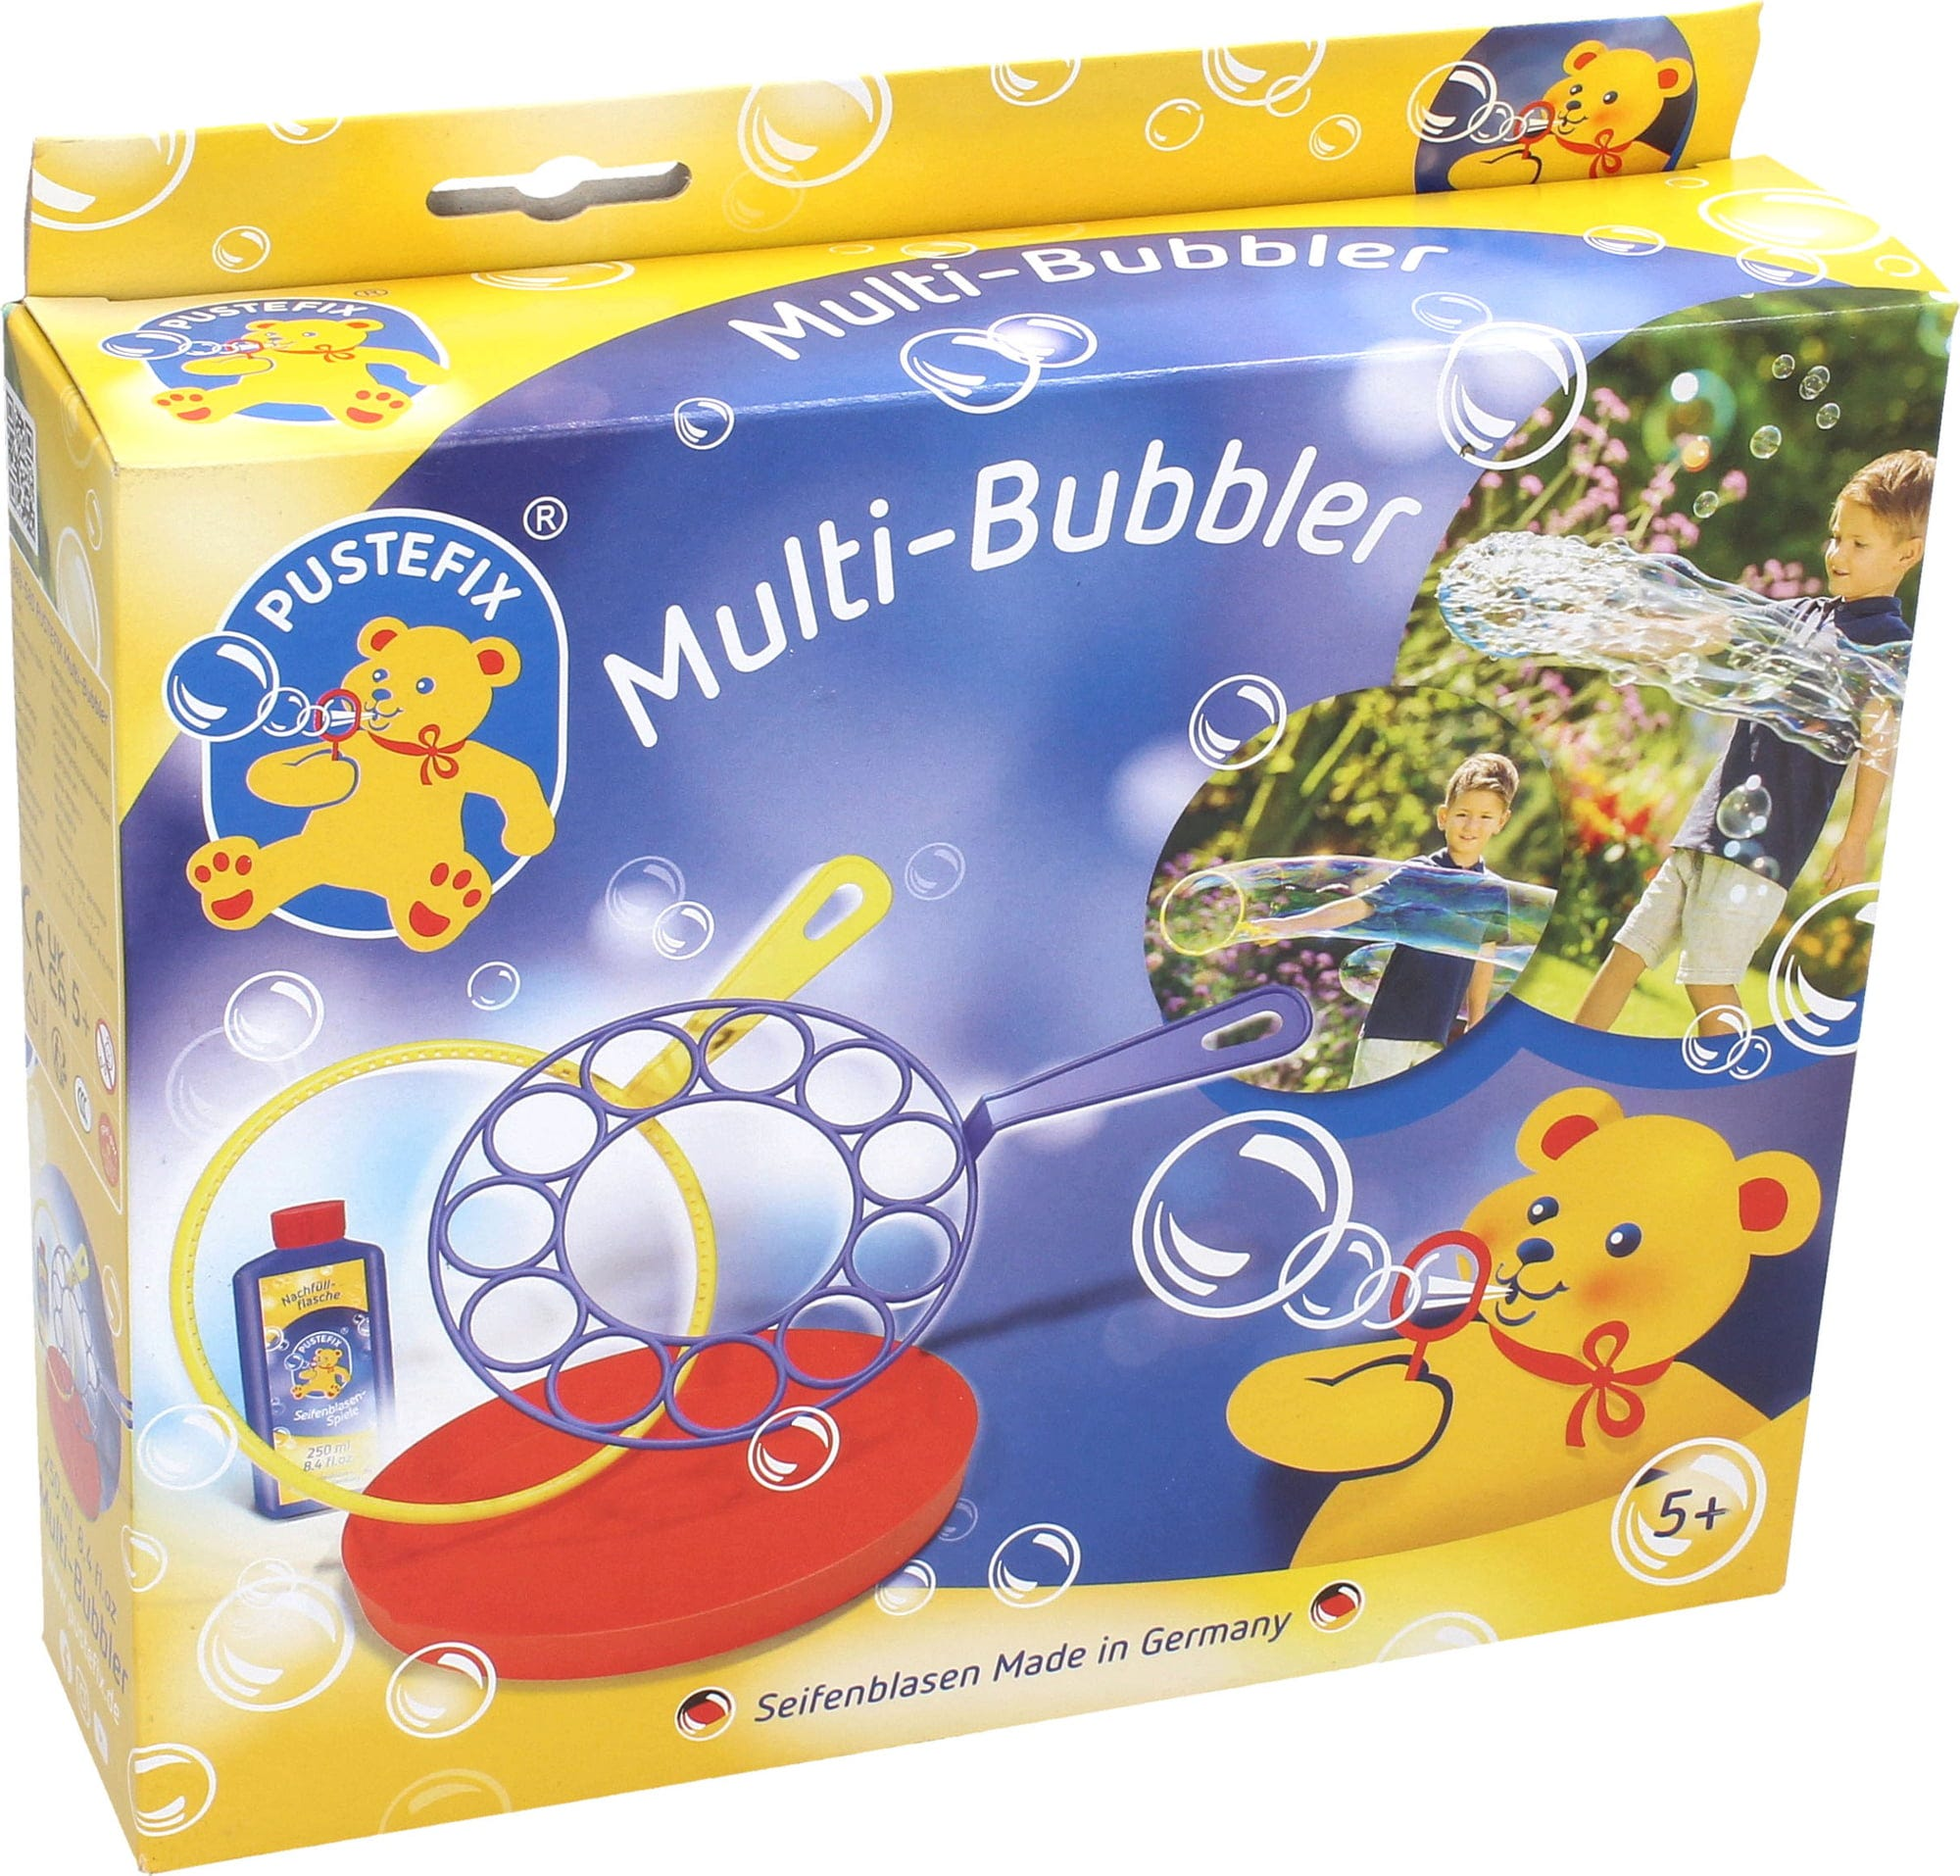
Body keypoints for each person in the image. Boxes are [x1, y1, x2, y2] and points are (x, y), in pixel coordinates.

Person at [1577, 449, 1934, 1036]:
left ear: (1907, 554)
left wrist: (1856, 838)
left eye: (1858, 543)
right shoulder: (1803, 615)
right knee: (1627, 951)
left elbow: (1878, 747)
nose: (1838, 554)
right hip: (1709, 824)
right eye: (1836, 536)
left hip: (1764, 844)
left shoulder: (1887, 647)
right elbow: (1713, 630)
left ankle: (1733, 1079)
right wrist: (1618, 637)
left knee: (1707, 979)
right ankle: (1569, 1061)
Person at [1264, 753, 1520, 1087]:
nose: (1472, 826)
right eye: (1463, 814)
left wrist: (1476, 1022)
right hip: (1390, 1028)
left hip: (1438, 1036)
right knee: (1364, 1108)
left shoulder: (1492, 891)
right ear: (1443, 816)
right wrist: (1287, 925)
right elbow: (1358, 907)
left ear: (1501, 822)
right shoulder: (1419, 874)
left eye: (1485, 817)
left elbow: (1484, 957)